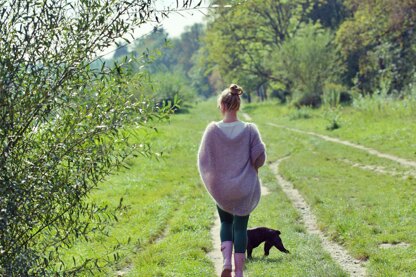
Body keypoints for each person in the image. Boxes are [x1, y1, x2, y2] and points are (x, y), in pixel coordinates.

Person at [198, 84, 266, 277]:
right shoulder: (250, 130)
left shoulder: (212, 130)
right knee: (241, 227)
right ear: (238, 105)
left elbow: (204, 160)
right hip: (244, 188)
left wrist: (215, 179)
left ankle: (226, 262)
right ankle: (239, 273)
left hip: (222, 190)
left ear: (222, 106)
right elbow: (259, 159)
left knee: (226, 223)